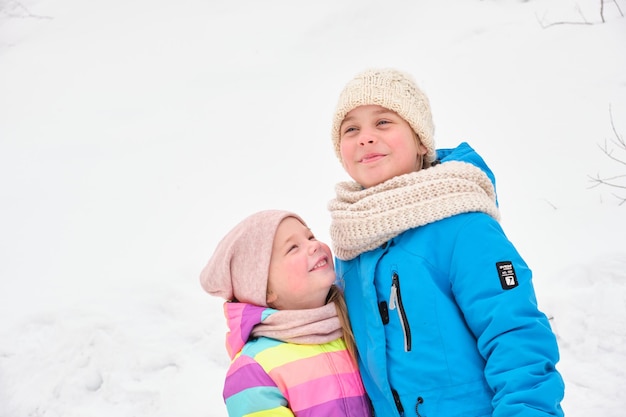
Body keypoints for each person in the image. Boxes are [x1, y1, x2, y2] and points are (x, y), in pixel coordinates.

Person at [326, 68, 565, 417]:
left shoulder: (463, 226)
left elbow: (516, 337)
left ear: (421, 140)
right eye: (351, 129)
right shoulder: (351, 244)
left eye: (383, 122)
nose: (365, 138)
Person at [199, 210, 372, 417]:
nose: (314, 245)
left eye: (310, 237)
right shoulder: (253, 369)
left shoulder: (356, 328)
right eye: (293, 248)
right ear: (265, 290)